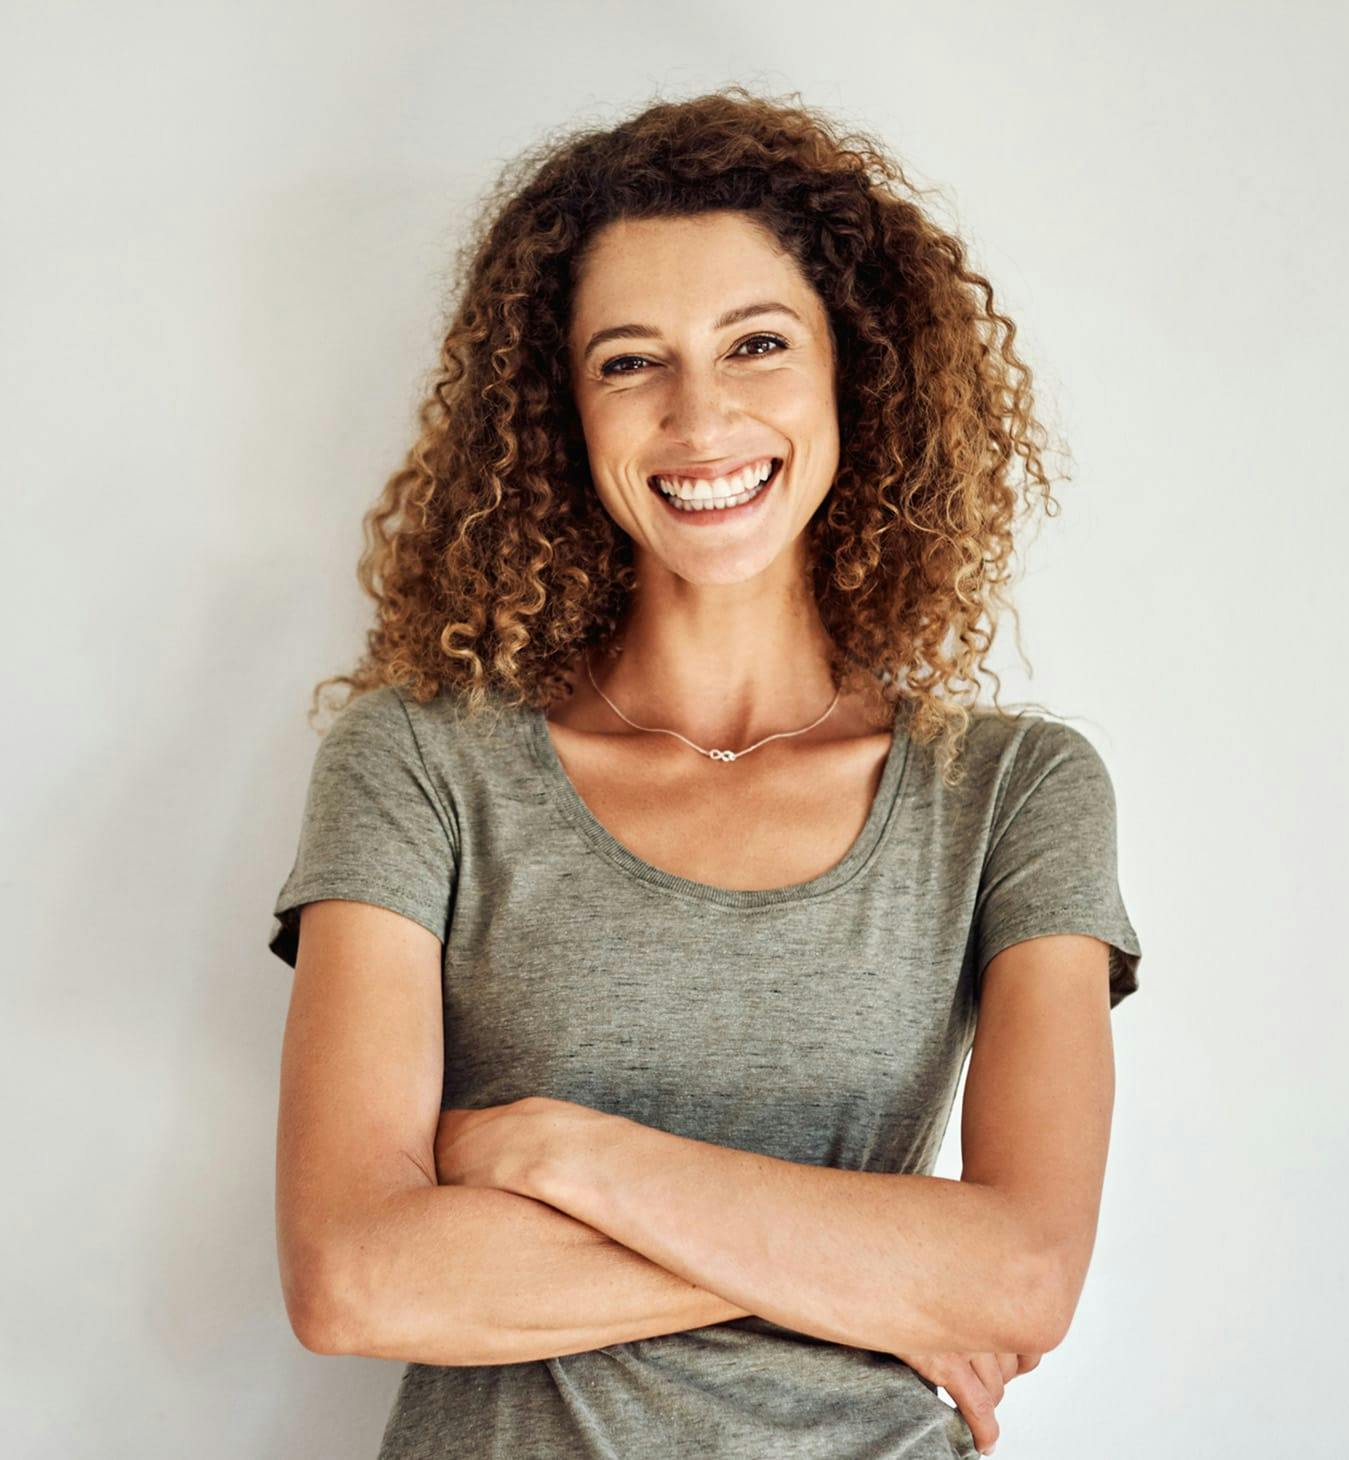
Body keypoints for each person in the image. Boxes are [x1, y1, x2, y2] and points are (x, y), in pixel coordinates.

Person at [265, 85, 1143, 1460]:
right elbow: (355, 1278)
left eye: (756, 343)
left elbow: (1024, 1276)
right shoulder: (423, 761)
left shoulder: (1013, 795)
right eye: (629, 361)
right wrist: (874, 1275)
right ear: (563, 413)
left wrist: (555, 1151)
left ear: (854, 369)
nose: (699, 415)